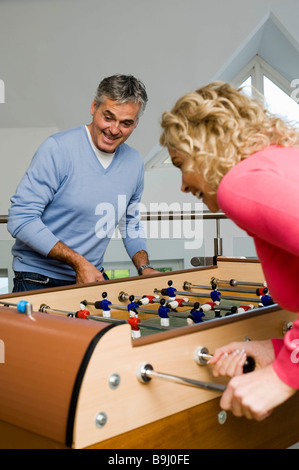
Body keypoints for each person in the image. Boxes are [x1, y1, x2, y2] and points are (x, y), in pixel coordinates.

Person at [160, 81, 299, 421]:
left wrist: (285, 375)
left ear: (202, 148)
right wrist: (277, 351)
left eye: (180, 163)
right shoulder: (280, 162)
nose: (182, 185)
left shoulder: (238, 184)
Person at [8, 74, 156, 292]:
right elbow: (21, 219)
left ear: (136, 124)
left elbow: (129, 223)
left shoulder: (134, 163)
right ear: (94, 107)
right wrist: (79, 262)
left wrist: (144, 267)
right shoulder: (58, 149)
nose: (114, 130)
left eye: (126, 123)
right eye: (108, 117)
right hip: (38, 278)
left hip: (90, 276)